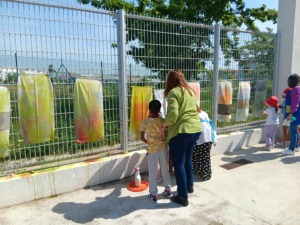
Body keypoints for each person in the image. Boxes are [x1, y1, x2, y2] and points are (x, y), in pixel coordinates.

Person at [163, 69, 202, 207]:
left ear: (170, 81)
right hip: (195, 129)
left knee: (178, 164)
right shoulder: (190, 91)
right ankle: (189, 187)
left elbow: (173, 116)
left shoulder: (174, 92)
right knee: (187, 160)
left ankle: (182, 196)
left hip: (181, 131)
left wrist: (164, 124)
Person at [140, 100, 172, 203]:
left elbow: (141, 137)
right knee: (165, 169)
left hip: (152, 150)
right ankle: (168, 189)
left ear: (149, 110)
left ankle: (153, 194)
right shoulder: (164, 121)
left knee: (153, 172)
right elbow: (166, 134)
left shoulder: (145, 122)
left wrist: (148, 142)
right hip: (163, 148)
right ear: (159, 109)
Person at [192, 107, 217, 181]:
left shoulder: (194, 115)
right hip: (208, 136)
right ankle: (205, 173)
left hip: (201, 137)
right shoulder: (204, 113)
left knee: (197, 155)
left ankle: (201, 172)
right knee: (204, 156)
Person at [282, 74, 300, 155]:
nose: (288, 82)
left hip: (293, 114)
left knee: (292, 131)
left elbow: (295, 102)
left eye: (289, 81)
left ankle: (291, 149)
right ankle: (296, 146)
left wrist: (290, 113)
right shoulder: (295, 89)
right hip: (294, 113)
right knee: (295, 131)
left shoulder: (296, 89)